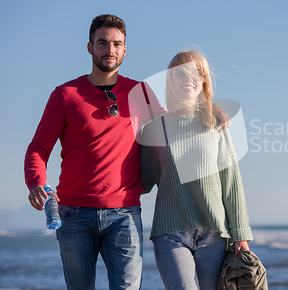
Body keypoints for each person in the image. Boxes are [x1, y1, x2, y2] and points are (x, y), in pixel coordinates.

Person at [24, 15, 231, 290]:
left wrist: (209, 107)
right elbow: (38, 147)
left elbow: (175, 122)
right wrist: (36, 182)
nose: (110, 50)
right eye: (102, 43)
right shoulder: (65, 95)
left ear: (124, 50)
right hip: (74, 214)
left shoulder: (140, 93)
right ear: (90, 47)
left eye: (116, 44)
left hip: (124, 215)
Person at [140, 49, 253, 290]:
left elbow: (231, 181)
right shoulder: (154, 129)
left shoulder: (216, 124)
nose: (188, 78)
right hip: (171, 233)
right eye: (179, 73)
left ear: (204, 80)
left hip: (214, 235)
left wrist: (240, 233)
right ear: (170, 81)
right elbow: (139, 181)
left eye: (196, 73)